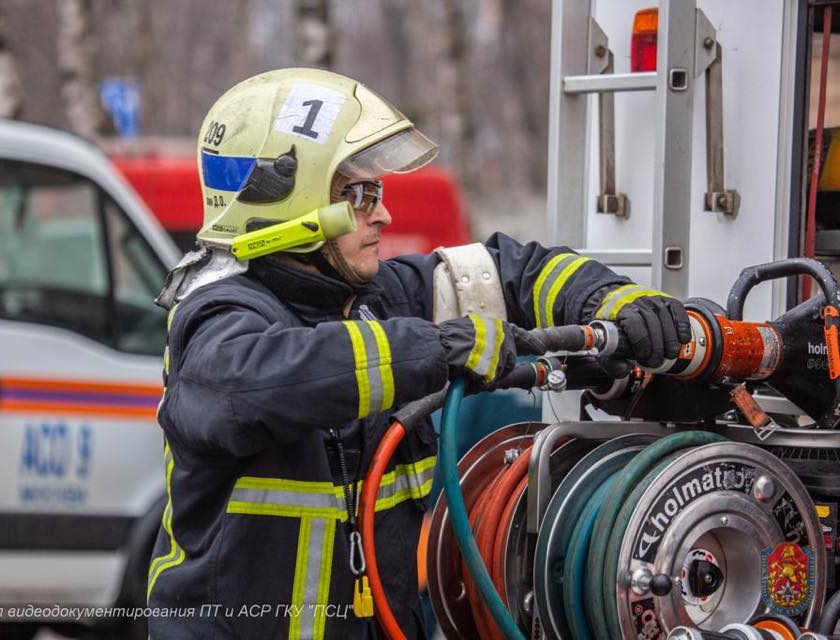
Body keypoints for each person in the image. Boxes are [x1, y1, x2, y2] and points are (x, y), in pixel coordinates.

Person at [146, 68, 690, 639]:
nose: (383, 215)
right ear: (289, 200)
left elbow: (513, 272)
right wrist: (438, 349)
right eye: (359, 196)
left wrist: (614, 300)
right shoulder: (215, 319)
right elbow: (267, 379)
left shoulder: (378, 298)